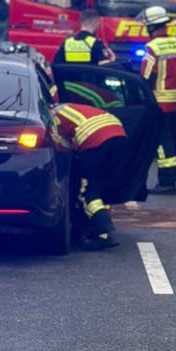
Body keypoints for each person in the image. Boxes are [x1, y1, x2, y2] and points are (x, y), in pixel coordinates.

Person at [51, 99, 127, 248]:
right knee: (100, 186)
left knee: (87, 192)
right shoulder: (72, 107)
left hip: (95, 141)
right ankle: (98, 231)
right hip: (119, 135)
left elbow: (60, 143)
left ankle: (105, 230)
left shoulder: (53, 116)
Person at [140, 6, 176, 194]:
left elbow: (146, 77)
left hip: (159, 102)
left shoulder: (152, 48)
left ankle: (167, 182)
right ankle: (172, 177)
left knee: (162, 143)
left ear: (152, 28)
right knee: (174, 140)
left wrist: (144, 98)